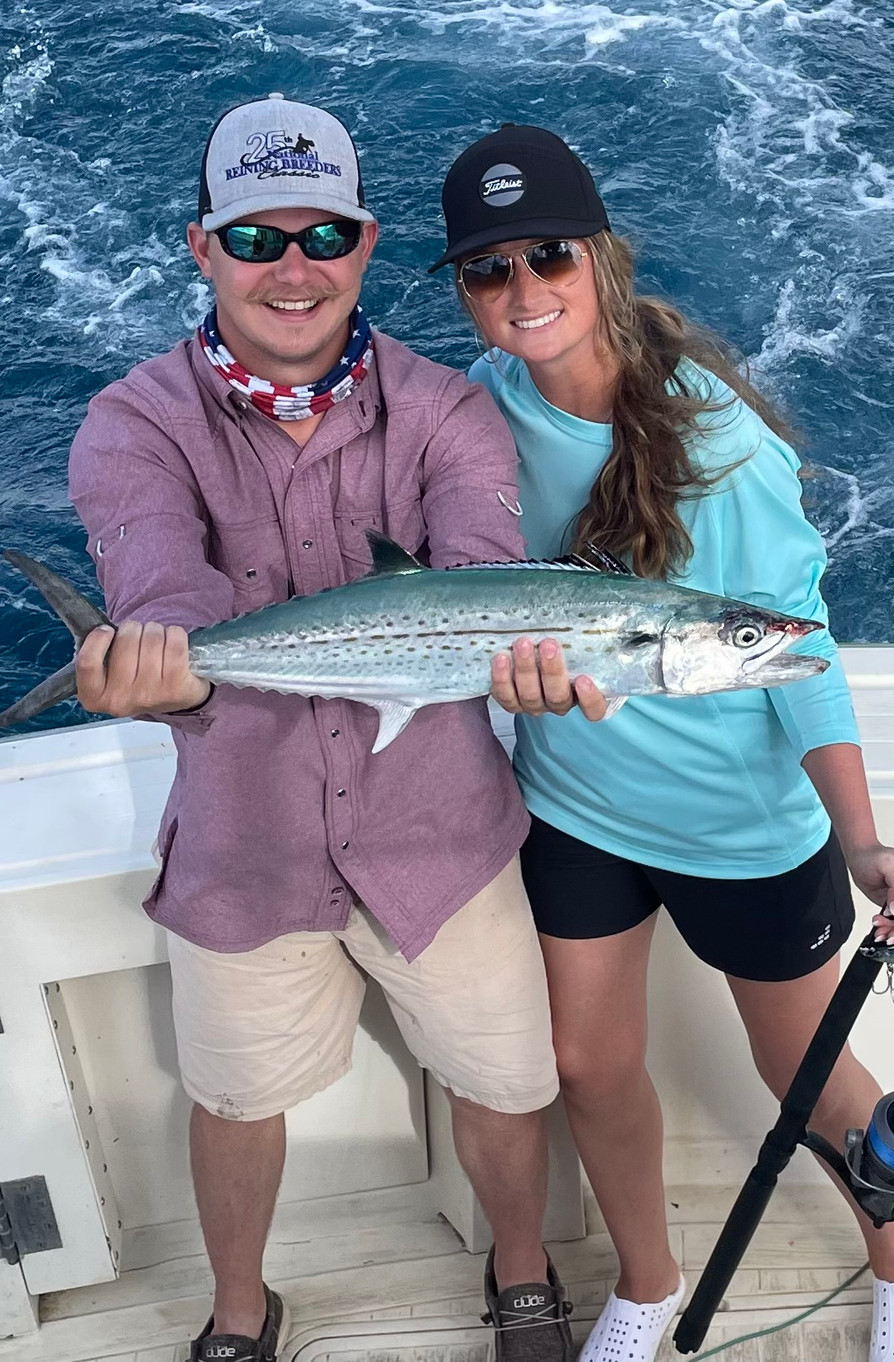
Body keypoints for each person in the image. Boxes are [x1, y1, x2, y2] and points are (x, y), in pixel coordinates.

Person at [67, 97, 591, 1362]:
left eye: (323, 236)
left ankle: (522, 1275)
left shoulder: (447, 411)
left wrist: (520, 656)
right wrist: (164, 669)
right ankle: (241, 1314)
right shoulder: (134, 422)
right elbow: (163, 587)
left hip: (441, 837)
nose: (291, 269)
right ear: (203, 247)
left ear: (365, 245)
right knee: (235, 1098)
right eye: (256, 239)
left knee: (508, 1084)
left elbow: (480, 568)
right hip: (242, 844)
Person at [431, 122, 894, 1362]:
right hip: (577, 809)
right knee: (586, 1067)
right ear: (464, 290)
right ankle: (647, 1284)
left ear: (602, 257)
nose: (524, 289)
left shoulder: (721, 442)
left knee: (811, 1084)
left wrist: (860, 839)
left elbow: (796, 648)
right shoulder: (483, 403)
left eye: (550, 256)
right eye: (488, 269)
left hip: (739, 828)